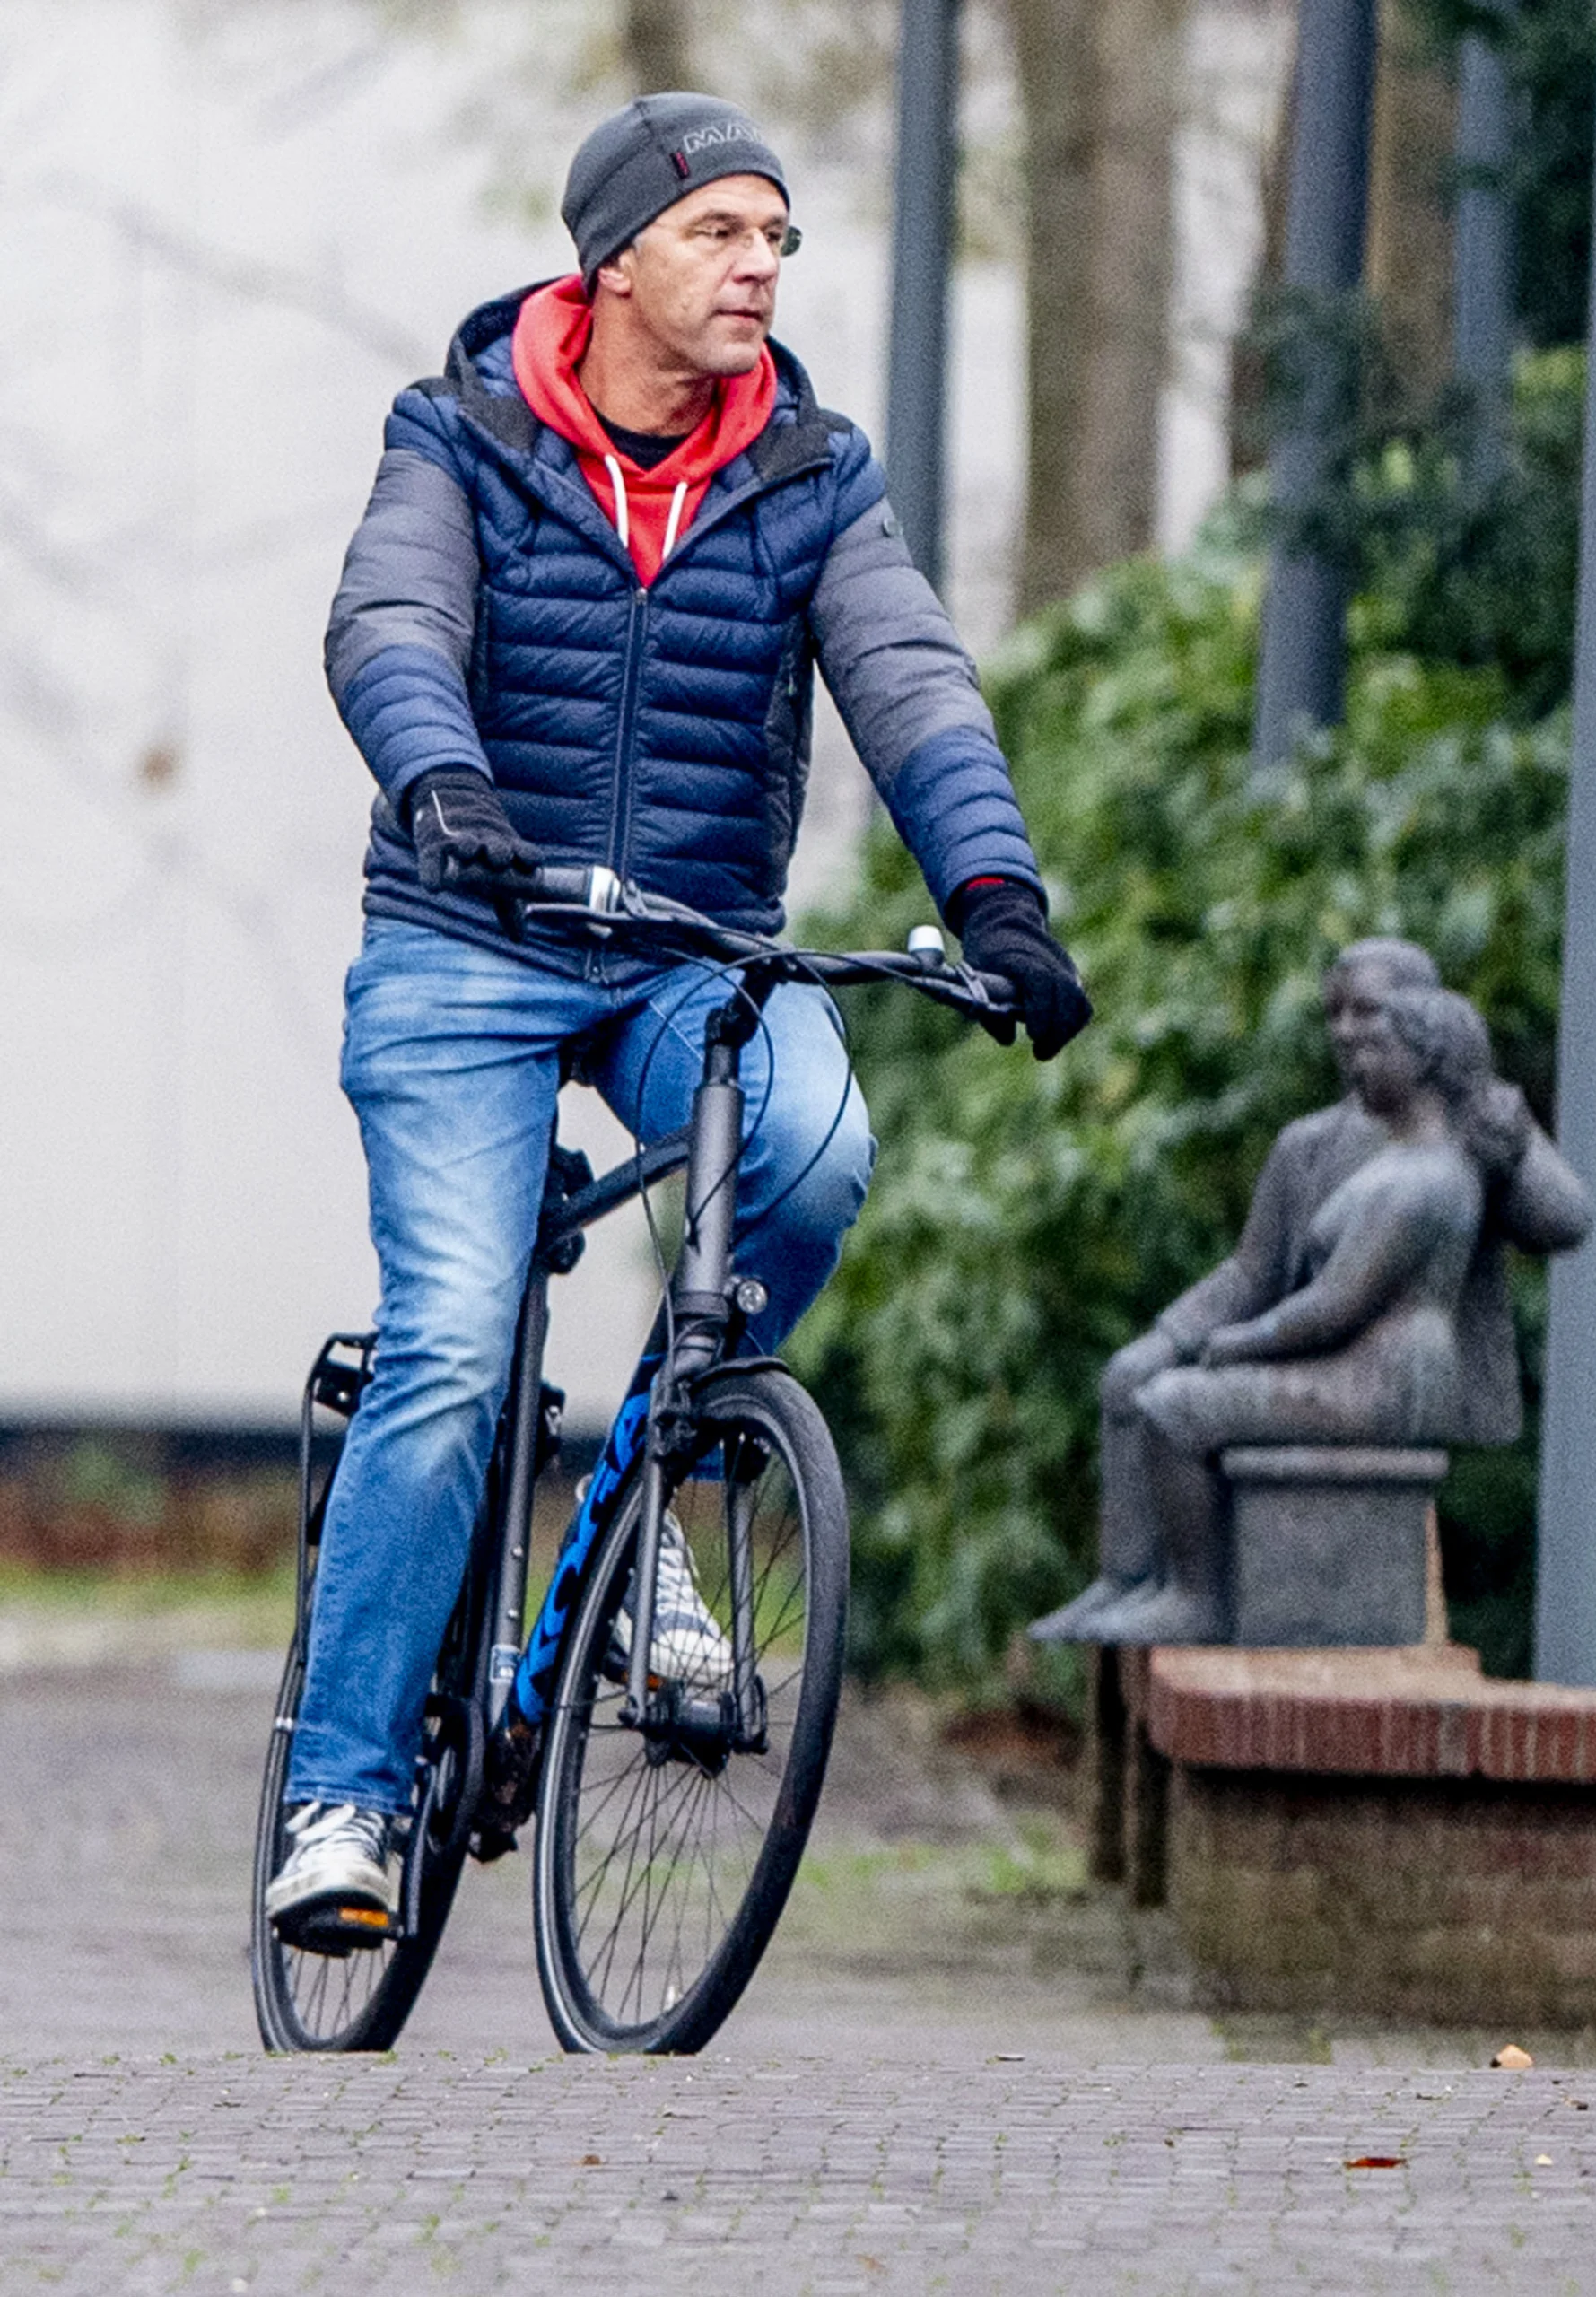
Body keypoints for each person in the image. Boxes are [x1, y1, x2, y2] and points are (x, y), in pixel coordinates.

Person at [266, 96, 1093, 1938]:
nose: (762, 269)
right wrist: (440, 776)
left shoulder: (810, 471)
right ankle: (344, 1797)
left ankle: (644, 1523)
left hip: (693, 947)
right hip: (469, 934)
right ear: (615, 255)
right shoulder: (462, 432)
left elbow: (907, 674)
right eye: (725, 233)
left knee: (813, 1146)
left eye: (778, 241)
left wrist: (995, 890)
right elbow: (386, 618)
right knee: (460, 1346)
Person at [1033, 941, 1588, 1645]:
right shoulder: (1309, 1144)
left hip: (1369, 1366)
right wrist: (1174, 1336)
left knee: (1180, 1406)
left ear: (1423, 1023)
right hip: (1310, 1348)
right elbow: (1250, 1272)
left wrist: (1504, 1139)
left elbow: (1567, 1221)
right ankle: (1128, 1579)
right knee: (1131, 1377)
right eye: (1335, 1012)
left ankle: (1192, 1598)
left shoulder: (1465, 1129)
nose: (1347, 1030)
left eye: (1367, 1011)